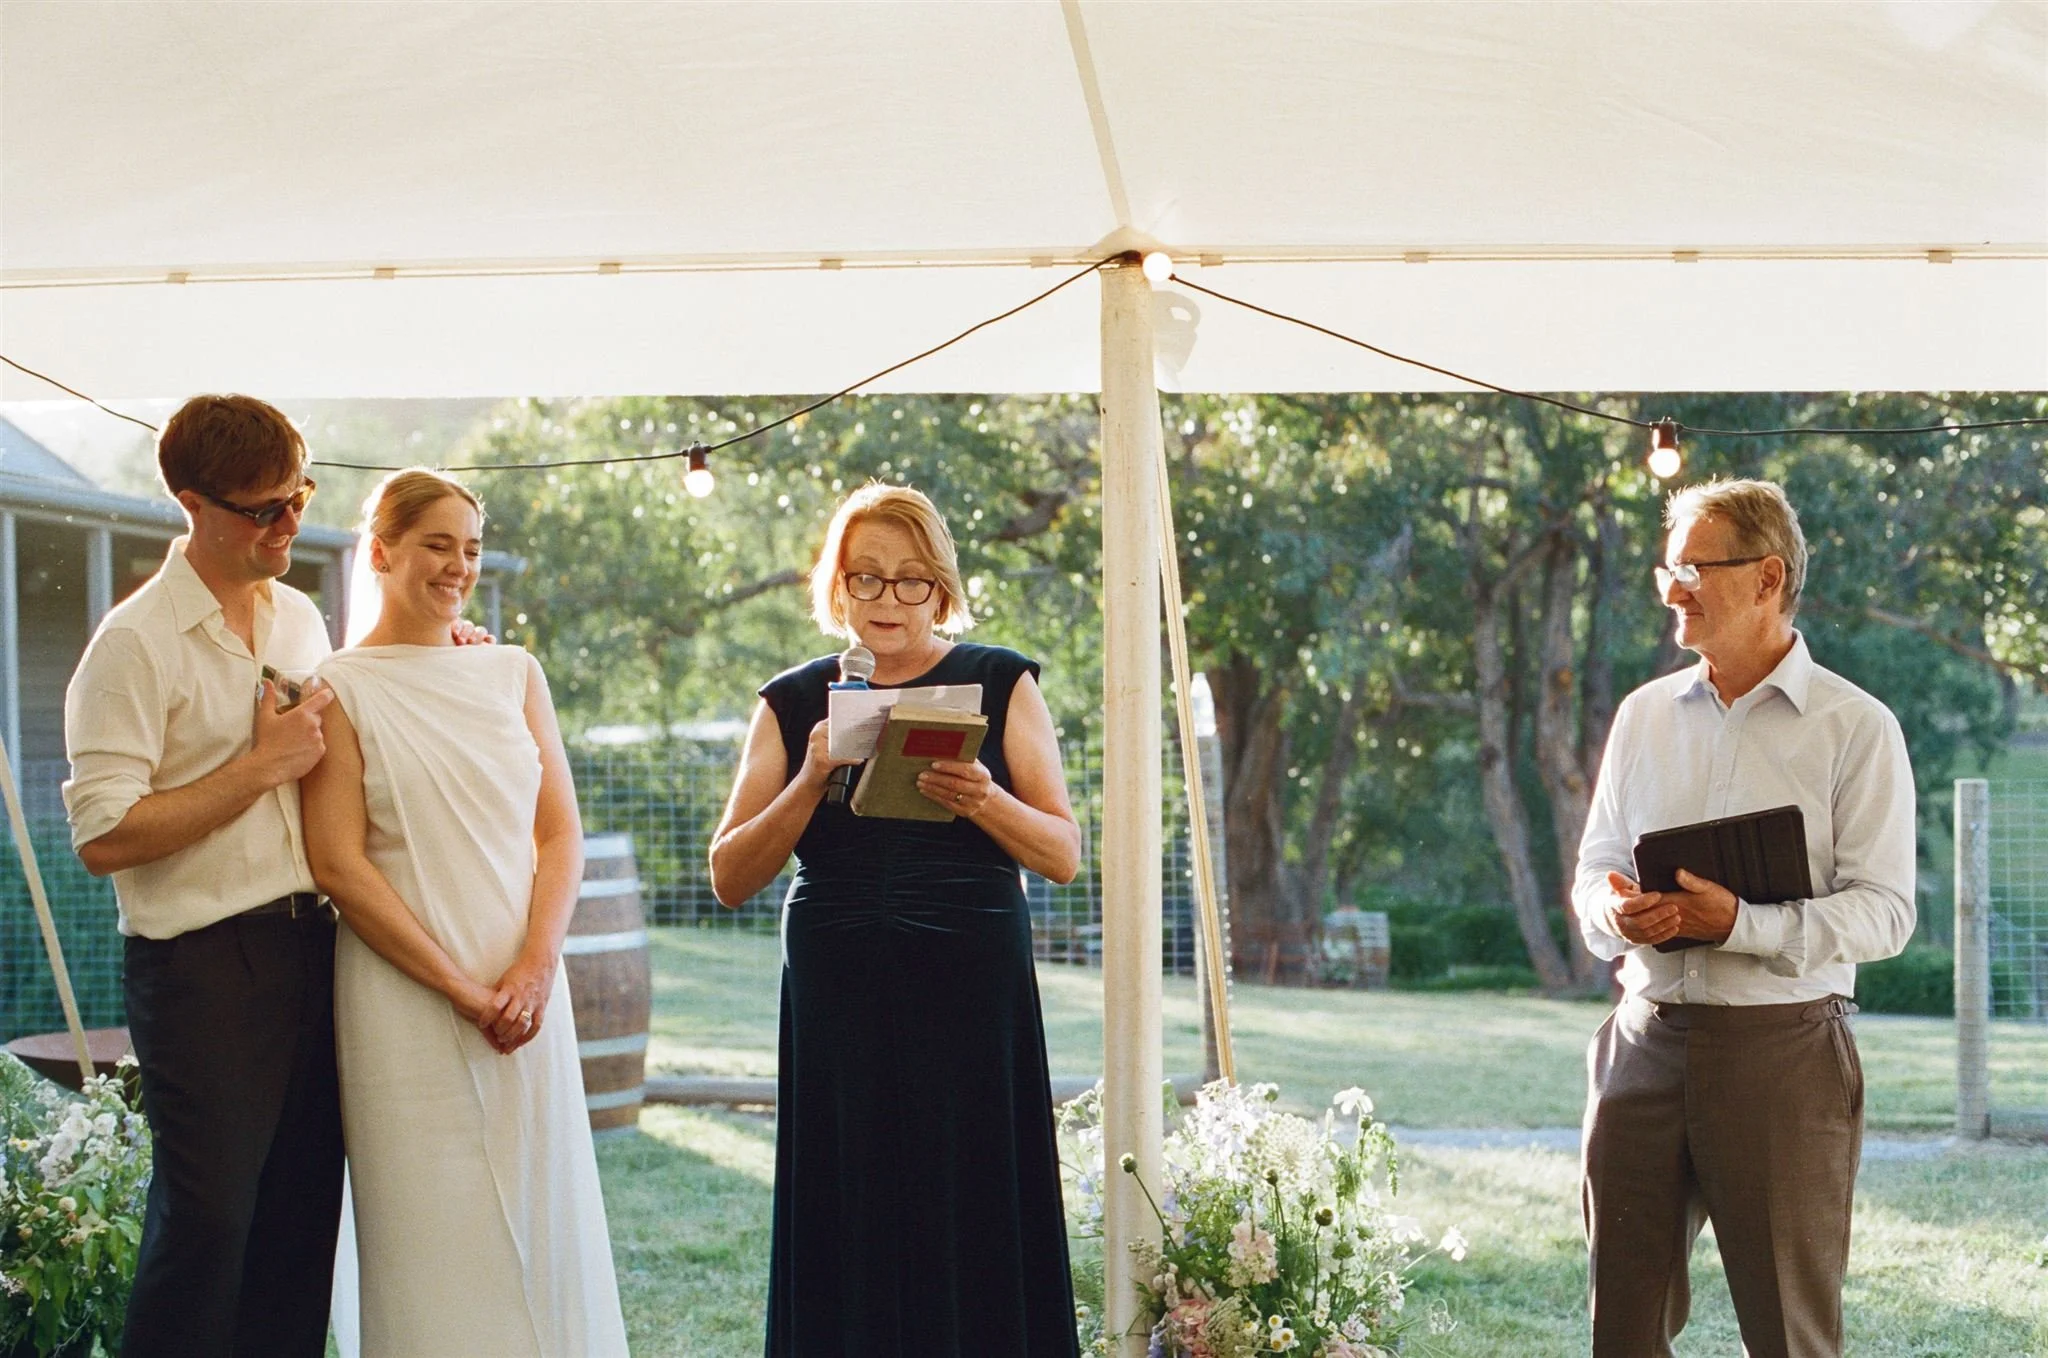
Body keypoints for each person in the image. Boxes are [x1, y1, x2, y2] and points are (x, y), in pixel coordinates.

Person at [710, 482, 1083, 1357]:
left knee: (972, 1190)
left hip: (969, 974)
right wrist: (809, 779)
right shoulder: (793, 698)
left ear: (942, 589)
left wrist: (986, 800)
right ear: (836, 586)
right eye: (867, 577)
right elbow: (729, 875)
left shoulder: (1000, 680)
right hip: (840, 982)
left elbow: (1062, 853)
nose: (888, 599)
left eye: (911, 579)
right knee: (852, 1193)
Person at [1572, 477, 1916, 1358]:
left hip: (1783, 1058)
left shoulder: (1856, 728)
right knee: (1622, 1331)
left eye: (1696, 568)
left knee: (1788, 1336)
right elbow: (1594, 867)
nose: (1675, 589)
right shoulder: (1643, 716)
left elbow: (1884, 915)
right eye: (1668, 572)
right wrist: (1616, 909)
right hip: (1640, 1048)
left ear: (1768, 579)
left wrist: (1738, 924)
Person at [300, 468, 627, 1356]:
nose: (457, 566)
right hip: (403, 996)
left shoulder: (513, 672)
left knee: (539, 1201)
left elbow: (560, 836)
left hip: (524, 988)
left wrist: (532, 969)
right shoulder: (337, 686)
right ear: (382, 551)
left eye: (471, 548)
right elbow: (338, 861)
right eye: (436, 544)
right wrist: (457, 987)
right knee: (429, 1231)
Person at [62, 394, 344, 1356]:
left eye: (297, 498)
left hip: (320, 949)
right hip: (202, 967)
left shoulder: (303, 616)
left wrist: (453, 658)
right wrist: (259, 767)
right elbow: (102, 836)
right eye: (265, 509)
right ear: (193, 504)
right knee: (210, 1226)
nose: (289, 524)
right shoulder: (132, 646)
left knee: (301, 1222)